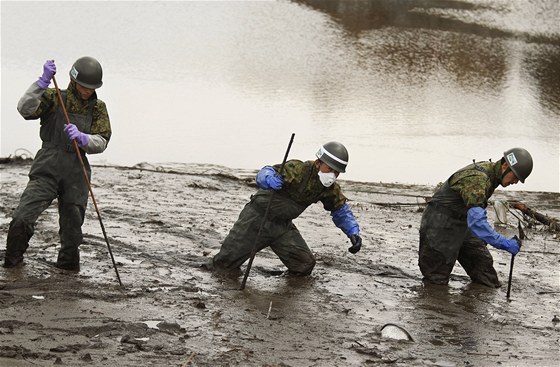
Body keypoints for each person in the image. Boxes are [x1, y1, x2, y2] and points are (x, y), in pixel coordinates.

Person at [3, 57, 112, 271]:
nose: (87, 91)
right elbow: (25, 110)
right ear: (73, 80)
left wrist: (84, 138)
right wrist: (41, 82)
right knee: (22, 217)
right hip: (48, 165)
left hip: (77, 169)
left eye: (91, 88)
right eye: (84, 86)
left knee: (73, 227)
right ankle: (12, 263)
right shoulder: (54, 97)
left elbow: (102, 140)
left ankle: (68, 268)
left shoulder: (98, 108)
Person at [212, 141, 363, 276]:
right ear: (318, 163)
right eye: (329, 169)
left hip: (282, 227)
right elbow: (266, 171)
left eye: (336, 172)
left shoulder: (329, 188)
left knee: (304, 264)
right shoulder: (298, 169)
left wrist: (352, 232)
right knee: (223, 265)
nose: (332, 175)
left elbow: (340, 210)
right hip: (256, 220)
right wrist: (268, 179)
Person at [418, 148, 533, 287]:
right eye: (515, 176)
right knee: (436, 281)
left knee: (485, 272)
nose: (515, 182)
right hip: (439, 224)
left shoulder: (492, 175)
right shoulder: (478, 179)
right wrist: (502, 242)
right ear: (504, 166)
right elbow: (477, 222)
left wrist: (483, 238)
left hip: (462, 222)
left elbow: (474, 214)